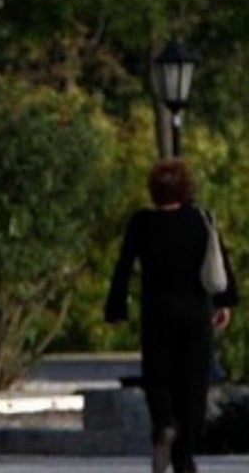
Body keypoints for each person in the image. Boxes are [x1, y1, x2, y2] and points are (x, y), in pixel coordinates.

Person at [105, 158, 239, 473]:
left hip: (157, 311)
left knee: (158, 376)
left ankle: (164, 423)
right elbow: (220, 264)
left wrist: (116, 306)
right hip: (196, 313)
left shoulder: (141, 223)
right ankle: (185, 457)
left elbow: (124, 267)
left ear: (153, 190)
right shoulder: (200, 219)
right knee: (193, 385)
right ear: (186, 187)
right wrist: (225, 303)